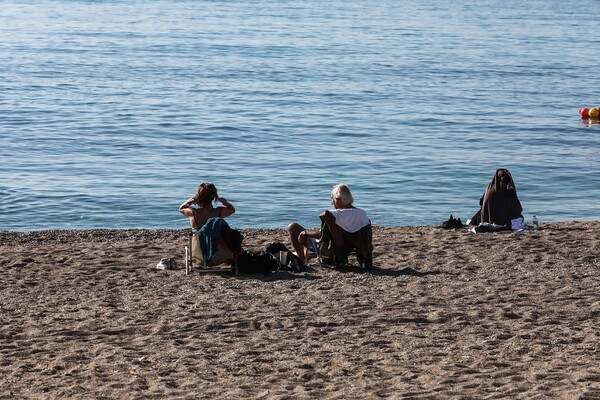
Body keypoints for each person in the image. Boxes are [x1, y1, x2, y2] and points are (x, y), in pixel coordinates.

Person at [288, 183, 370, 266]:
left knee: (293, 227)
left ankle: (302, 259)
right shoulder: (362, 214)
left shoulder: (333, 215)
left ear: (338, 199)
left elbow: (322, 234)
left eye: (332, 199)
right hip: (351, 248)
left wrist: (305, 233)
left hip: (330, 249)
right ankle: (310, 256)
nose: (332, 202)